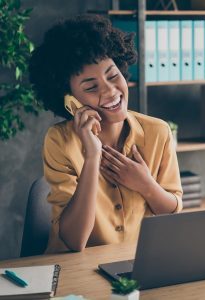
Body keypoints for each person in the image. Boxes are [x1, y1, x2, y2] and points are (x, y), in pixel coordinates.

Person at [29, 15, 183, 254]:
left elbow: (172, 213)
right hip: (77, 272)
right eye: (91, 87)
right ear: (70, 100)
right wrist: (91, 157)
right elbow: (73, 241)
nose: (111, 91)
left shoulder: (158, 132)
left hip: (138, 266)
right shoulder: (59, 141)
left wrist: (146, 185)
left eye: (113, 76)